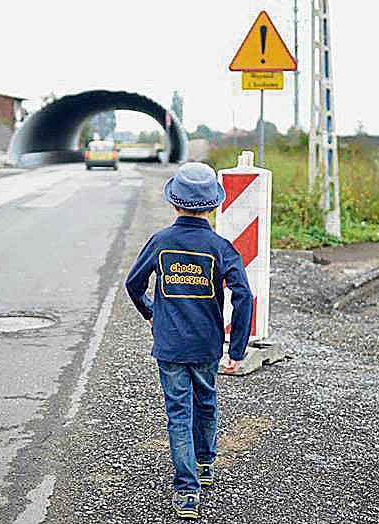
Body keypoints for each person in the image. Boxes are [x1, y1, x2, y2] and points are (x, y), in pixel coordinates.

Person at [125, 162, 253, 519]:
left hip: (169, 345)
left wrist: (151, 311)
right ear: (213, 205)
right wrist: (237, 348)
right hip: (206, 344)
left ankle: (186, 491)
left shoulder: (161, 242)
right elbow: (244, 295)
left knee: (178, 413)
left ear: (173, 202)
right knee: (206, 401)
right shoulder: (220, 247)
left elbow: (133, 284)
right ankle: (205, 462)